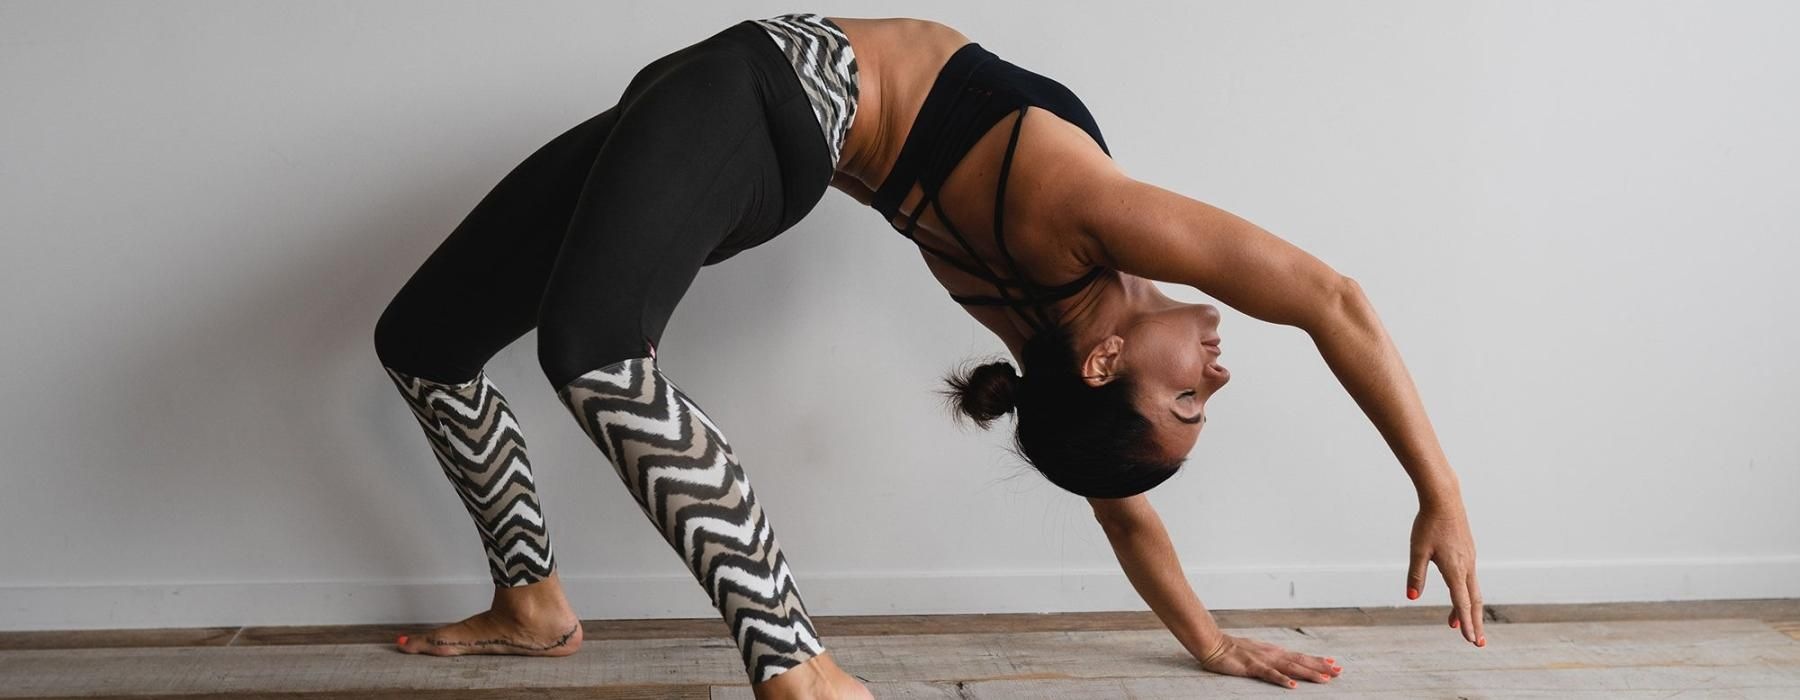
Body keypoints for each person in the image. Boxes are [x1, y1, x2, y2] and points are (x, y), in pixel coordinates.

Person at [372, 12, 1482, 698]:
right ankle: (533, 602)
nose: (1216, 375)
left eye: (1190, 400)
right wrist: (1437, 491)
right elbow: (1329, 301)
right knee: (424, 342)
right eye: (1202, 400)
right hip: (724, 91)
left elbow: (1123, 482)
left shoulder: (1075, 244)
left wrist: (1211, 642)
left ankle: (798, 666)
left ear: (1104, 366)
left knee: (595, 348)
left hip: (768, 98)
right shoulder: (1076, 281)